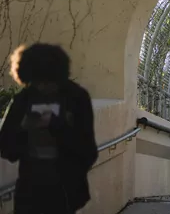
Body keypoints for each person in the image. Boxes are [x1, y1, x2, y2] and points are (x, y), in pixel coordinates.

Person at [0, 43, 98, 214]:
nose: (43, 88)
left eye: (49, 82)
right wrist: (24, 129)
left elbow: (88, 151)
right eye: (38, 83)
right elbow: (6, 148)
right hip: (30, 191)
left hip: (64, 191)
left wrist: (57, 128)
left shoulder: (76, 98)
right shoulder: (24, 99)